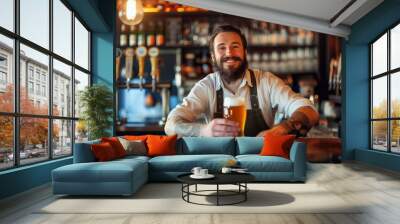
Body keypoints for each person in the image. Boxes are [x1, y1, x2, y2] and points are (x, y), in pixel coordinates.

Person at [165, 25, 319, 137]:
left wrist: (283, 128)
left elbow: (308, 110)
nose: (229, 53)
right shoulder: (207, 86)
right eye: (221, 47)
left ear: (245, 52)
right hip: (220, 165)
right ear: (212, 57)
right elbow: (171, 125)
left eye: (235, 46)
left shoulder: (266, 81)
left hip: (261, 162)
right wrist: (202, 131)